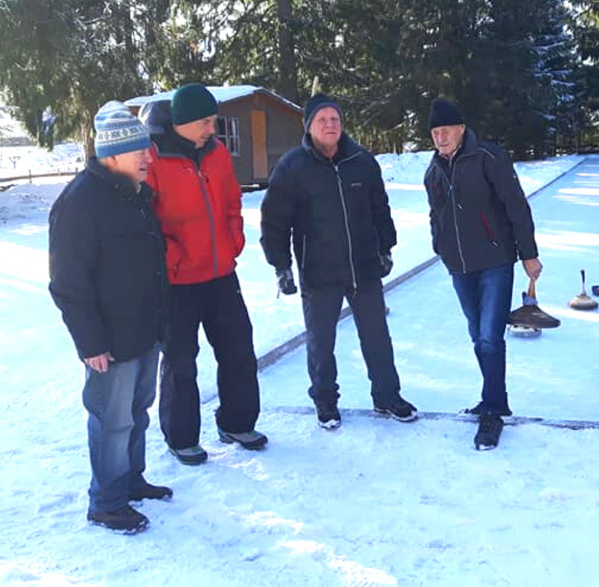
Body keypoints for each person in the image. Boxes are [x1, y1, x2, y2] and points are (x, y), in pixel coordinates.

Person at [260, 93, 417, 429]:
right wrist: (281, 265)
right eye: (322, 120)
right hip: (318, 272)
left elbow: (380, 210)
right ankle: (326, 402)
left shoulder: (361, 161)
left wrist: (386, 247)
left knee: (377, 336)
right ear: (309, 126)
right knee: (321, 343)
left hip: (363, 267)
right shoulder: (292, 167)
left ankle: (387, 396)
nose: (330, 125)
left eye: (335, 119)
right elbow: (274, 220)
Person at [49, 101, 170, 534]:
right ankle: (106, 502)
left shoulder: (138, 196)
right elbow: (67, 284)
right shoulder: (79, 203)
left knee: (137, 412)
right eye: (140, 151)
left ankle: (130, 480)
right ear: (112, 154)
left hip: (144, 330)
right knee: (111, 419)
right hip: (110, 341)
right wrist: (91, 343)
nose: (149, 158)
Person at [145, 83, 267, 464]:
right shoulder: (153, 157)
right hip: (177, 281)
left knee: (239, 349)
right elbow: (145, 221)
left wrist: (233, 238)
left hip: (220, 273)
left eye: (213, 120)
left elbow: (232, 198)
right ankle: (181, 437)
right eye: (204, 122)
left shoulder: (215, 153)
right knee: (181, 361)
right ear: (181, 123)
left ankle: (236, 422)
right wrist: (172, 256)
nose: (211, 129)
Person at [423, 98, 543, 450]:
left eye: (446, 130)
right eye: (434, 132)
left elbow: (516, 206)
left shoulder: (489, 158)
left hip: (495, 261)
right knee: (478, 335)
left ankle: (492, 409)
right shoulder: (432, 171)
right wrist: (440, 247)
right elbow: (436, 215)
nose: (440, 137)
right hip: (460, 266)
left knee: (490, 337)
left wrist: (529, 254)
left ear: (461, 128)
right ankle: (495, 398)